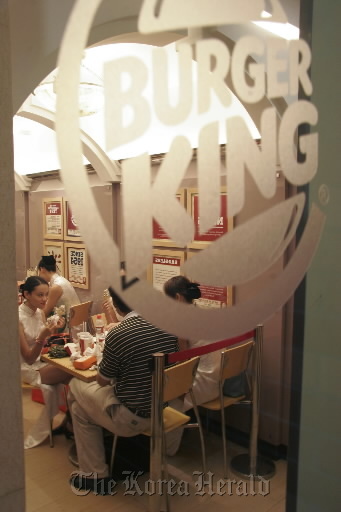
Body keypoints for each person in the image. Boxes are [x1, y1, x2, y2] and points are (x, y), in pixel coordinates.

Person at [68, 286, 179, 493]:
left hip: (130, 415)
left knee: (75, 386)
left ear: (116, 306)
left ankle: (95, 474)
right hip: (161, 407)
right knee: (79, 409)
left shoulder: (119, 333)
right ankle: (95, 470)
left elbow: (102, 380)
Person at [19, 276, 72, 448]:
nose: (44, 300)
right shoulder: (17, 318)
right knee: (70, 370)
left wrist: (53, 330)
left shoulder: (40, 313)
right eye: (39, 295)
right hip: (25, 367)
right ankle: (72, 424)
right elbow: (28, 357)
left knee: (75, 378)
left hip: (41, 361)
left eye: (46, 295)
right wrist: (42, 338)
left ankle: (70, 422)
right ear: (27, 294)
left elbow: (46, 345)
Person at [163, 275, 221, 410]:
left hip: (198, 387)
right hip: (217, 381)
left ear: (177, 297)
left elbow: (183, 363)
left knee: (156, 388)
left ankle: (170, 428)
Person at [37, 255, 80, 319]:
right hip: (77, 320)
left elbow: (45, 312)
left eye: (38, 272)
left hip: (69, 324)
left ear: (42, 269)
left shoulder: (56, 287)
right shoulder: (62, 279)